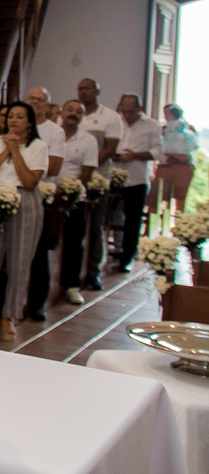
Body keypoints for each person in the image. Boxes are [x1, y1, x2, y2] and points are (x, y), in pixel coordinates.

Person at [0, 101, 47, 341]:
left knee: (18, 261)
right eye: (11, 117)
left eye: (20, 117)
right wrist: (5, 149)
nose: (14, 121)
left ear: (30, 122)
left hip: (24, 201)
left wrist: (16, 151)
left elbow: (30, 182)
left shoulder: (39, 146)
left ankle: (9, 315)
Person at [76, 78, 122, 290]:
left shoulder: (110, 117)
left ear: (97, 90)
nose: (83, 92)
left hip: (97, 179)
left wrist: (88, 166)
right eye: (80, 89)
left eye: (87, 88)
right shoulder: (74, 113)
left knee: (94, 226)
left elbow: (110, 149)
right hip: (73, 179)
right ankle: (72, 273)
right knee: (74, 228)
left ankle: (93, 272)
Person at [24, 87, 66, 321]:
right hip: (13, 194)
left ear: (48, 106)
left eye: (41, 101)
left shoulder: (54, 132)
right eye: (32, 99)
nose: (36, 103)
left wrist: (29, 164)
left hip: (41, 195)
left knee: (38, 254)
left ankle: (37, 304)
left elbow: (55, 166)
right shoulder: (17, 126)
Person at [113, 94, 163, 273]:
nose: (127, 115)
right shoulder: (116, 121)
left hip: (136, 178)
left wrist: (135, 155)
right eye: (124, 111)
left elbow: (158, 151)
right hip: (114, 175)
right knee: (104, 216)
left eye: (131, 112)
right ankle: (103, 254)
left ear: (139, 109)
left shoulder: (152, 126)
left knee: (133, 221)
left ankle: (127, 258)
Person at [55, 100, 98, 305]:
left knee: (74, 242)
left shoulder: (88, 140)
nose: (73, 114)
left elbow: (87, 172)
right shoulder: (51, 133)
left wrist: (71, 191)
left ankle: (71, 285)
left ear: (83, 116)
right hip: (48, 194)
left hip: (74, 196)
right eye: (70, 110)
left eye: (78, 112)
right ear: (62, 112)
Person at [152, 103, 199, 212]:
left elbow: (191, 149)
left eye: (168, 113)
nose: (166, 116)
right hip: (165, 165)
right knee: (158, 194)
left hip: (182, 165)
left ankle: (179, 220)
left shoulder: (187, 132)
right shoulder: (163, 130)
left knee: (180, 195)